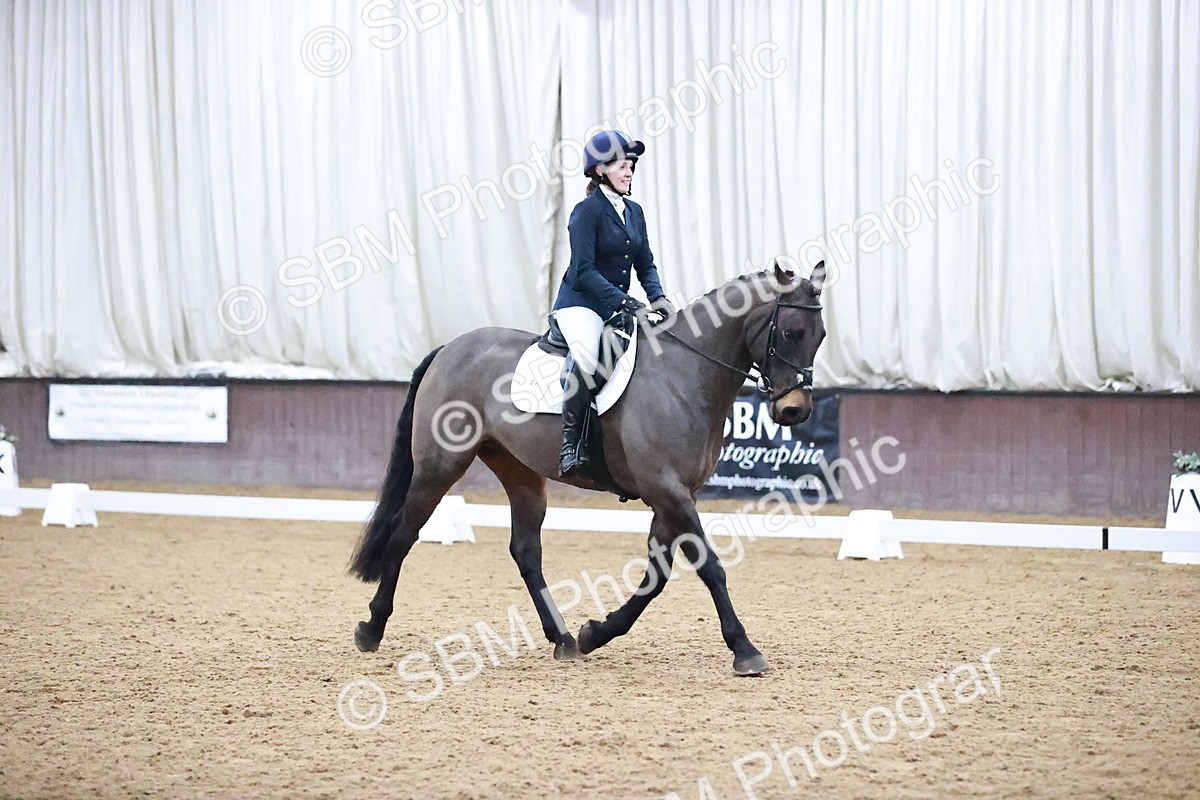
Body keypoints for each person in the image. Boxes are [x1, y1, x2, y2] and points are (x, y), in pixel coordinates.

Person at [552, 130, 675, 478]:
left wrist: (658, 298)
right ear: (600, 170)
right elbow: (583, 271)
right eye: (622, 166)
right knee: (589, 354)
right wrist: (625, 301)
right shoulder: (586, 212)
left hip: (616, 306)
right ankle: (571, 444)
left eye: (631, 166)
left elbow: (645, 264)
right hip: (581, 305)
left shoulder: (634, 212)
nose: (629, 172)